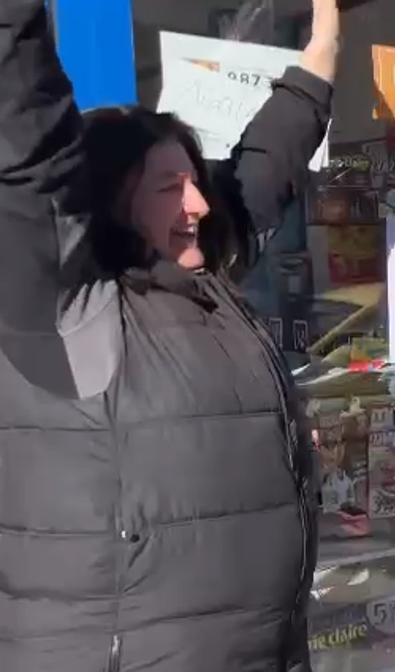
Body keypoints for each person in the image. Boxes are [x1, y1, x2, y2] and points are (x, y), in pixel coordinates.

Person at [0, 0, 339, 670]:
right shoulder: (65, 305)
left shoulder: (203, 277)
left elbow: (272, 157)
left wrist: (326, 32)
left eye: (196, 181)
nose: (199, 204)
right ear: (109, 197)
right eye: (169, 186)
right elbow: (25, 139)